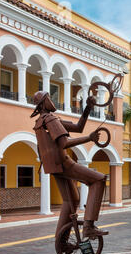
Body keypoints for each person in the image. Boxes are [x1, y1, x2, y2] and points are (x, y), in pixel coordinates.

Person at [31, 91, 108, 239]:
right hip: (64, 164)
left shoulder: (40, 122)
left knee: (71, 200)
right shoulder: (51, 119)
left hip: (54, 167)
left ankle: (62, 240)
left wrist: (88, 108)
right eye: (49, 98)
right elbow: (64, 143)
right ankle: (89, 226)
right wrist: (89, 138)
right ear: (43, 103)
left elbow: (78, 127)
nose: (52, 101)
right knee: (99, 179)